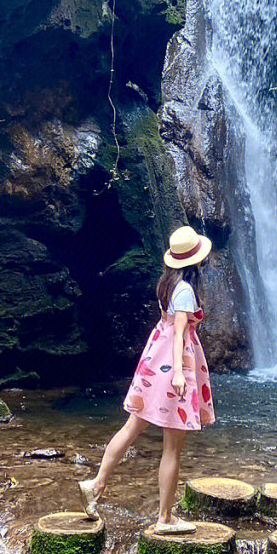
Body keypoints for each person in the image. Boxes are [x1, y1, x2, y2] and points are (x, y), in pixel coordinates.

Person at [78, 225, 215, 532]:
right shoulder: (186, 290)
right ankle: (165, 518)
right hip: (173, 364)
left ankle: (96, 485)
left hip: (155, 360)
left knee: (131, 426)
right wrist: (180, 374)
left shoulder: (168, 283)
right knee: (172, 447)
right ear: (196, 260)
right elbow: (180, 333)